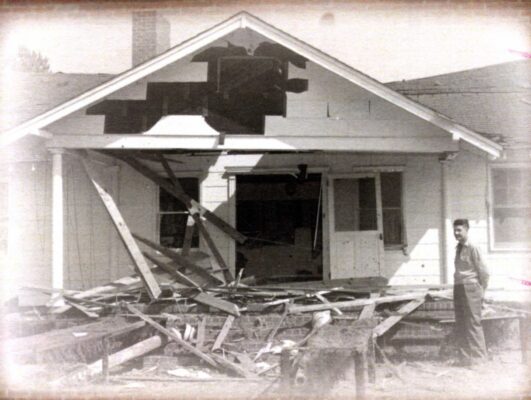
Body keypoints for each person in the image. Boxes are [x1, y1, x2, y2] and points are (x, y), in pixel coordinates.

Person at [452, 218, 489, 366]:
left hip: (472, 288)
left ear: (467, 230)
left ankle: (479, 360)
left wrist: (481, 290)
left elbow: (484, 272)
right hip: (459, 287)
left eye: (459, 230)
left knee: (473, 323)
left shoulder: (473, 247)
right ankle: (465, 359)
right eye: (455, 230)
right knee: (461, 322)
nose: (456, 233)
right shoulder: (458, 248)